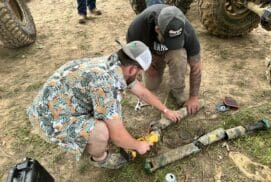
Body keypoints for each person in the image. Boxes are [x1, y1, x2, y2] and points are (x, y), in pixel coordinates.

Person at [27, 41, 181, 169]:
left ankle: (85, 131)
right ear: (133, 69)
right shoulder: (106, 85)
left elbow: (141, 92)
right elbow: (117, 136)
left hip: (56, 101)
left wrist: (165, 110)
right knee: (101, 131)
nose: (139, 76)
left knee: (104, 115)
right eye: (139, 72)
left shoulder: (115, 63)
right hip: (48, 117)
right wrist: (138, 145)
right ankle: (100, 158)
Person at [127, 4, 202, 114]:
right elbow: (131, 51)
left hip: (174, 54)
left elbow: (196, 66)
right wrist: (145, 66)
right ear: (157, 29)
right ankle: (148, 71)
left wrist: (193, 97)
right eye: (169, 40)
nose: (171, 44)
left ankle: (177, 91)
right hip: (152, 53)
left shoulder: (187, 30)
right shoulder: (139, 26)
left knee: (179, 56)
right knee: (152, 85)